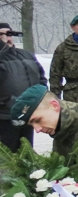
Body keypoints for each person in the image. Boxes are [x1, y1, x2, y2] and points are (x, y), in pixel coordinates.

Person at [0, 23, 46, 151]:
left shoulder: (25, 55)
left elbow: (41, 76)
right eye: (1, 34)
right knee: (7, 157)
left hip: (27, 113)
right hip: (5, 116)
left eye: (9, 33)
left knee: (26, 153)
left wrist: (39, 97)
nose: (6, 37)